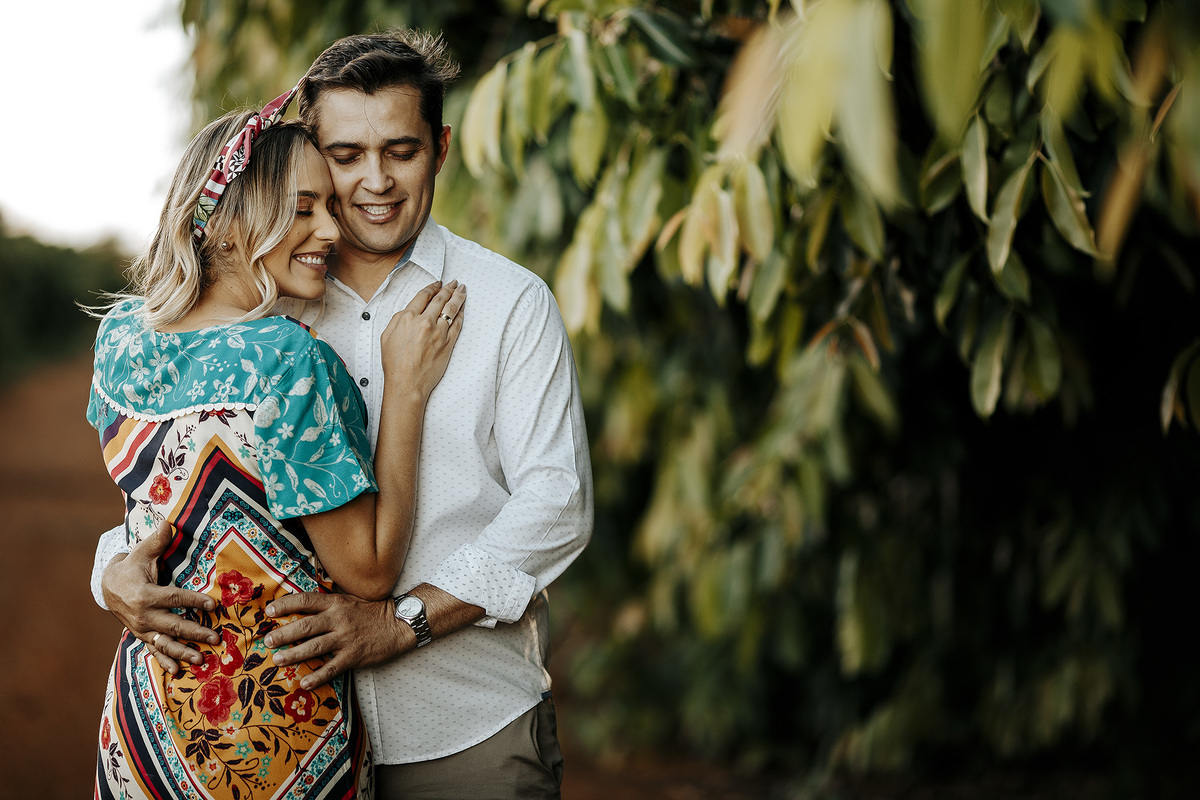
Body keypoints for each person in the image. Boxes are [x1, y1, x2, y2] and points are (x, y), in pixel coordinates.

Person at [92, 28, 594, 799]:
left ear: (441, 148)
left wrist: (402, 623)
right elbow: (174, 498)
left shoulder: (507, 303)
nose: (374, 182)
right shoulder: (270, 311)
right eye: (346, 157)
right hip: (286, 741)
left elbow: (557, 505)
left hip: (463, 726)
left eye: (401, 150)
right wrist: (110, 575)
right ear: (310, 152)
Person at [88, 85, 466, 799]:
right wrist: (406, 390)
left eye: (329, 206)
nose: (331, 230)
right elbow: (369, 571)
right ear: (228, 224)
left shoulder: (121, 339)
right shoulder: (289, 362)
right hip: (276, 740)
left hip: (143, 729)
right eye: (302, 209)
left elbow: (148, 516)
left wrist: (111, 575)